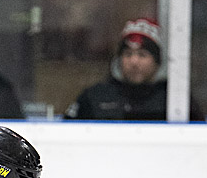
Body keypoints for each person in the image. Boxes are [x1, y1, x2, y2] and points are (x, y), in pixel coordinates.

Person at [64, 17, 199, 121]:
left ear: (157, 62)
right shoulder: (95, 97)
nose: (134, 62)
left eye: (142, 55)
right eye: (128, 54)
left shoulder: (175, 99)